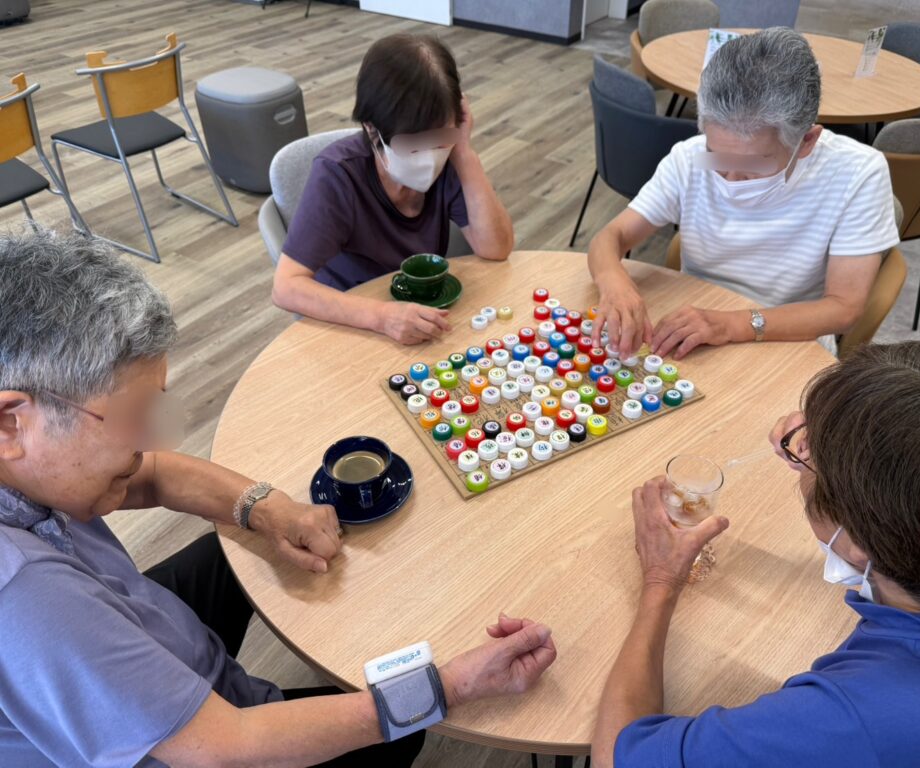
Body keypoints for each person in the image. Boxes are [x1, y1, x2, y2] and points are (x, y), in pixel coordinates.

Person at [0, 229, 555, 768]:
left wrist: (266, 508)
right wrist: (450, 687)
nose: (151, 440)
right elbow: (225, 749)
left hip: (131, 619)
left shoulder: (33, 466)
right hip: (207, 743)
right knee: (400, 735)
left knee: (228, 549)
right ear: (11, 423)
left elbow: (151, 475)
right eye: (132, 415)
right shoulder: (27, 592)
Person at [592, 336, 920, 767]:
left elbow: (615, 758)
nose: (803, 447)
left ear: (858, 544)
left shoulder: (857, 716)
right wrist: (849, 430)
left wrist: (661, 580)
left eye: (814, 457)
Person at [587, 28, 900, 359]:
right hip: (696, 325)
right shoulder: (691, 158)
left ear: (806, 142)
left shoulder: (857, 173)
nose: (732, 180)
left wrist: (730, 325)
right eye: (717, 157)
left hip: (789, 338)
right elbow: (610, 237)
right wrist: (614, 283)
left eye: (753, 166)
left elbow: (843, 308)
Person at [272, 33, 514, 346]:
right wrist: (382, 317)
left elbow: (496, 248)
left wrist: (464, 152)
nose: (429, 155)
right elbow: (286, 286)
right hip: (350, 322)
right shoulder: (339, 175)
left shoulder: (451, 158)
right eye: (412, 142)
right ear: (371, 129)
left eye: (440, 136)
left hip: (420, 317)